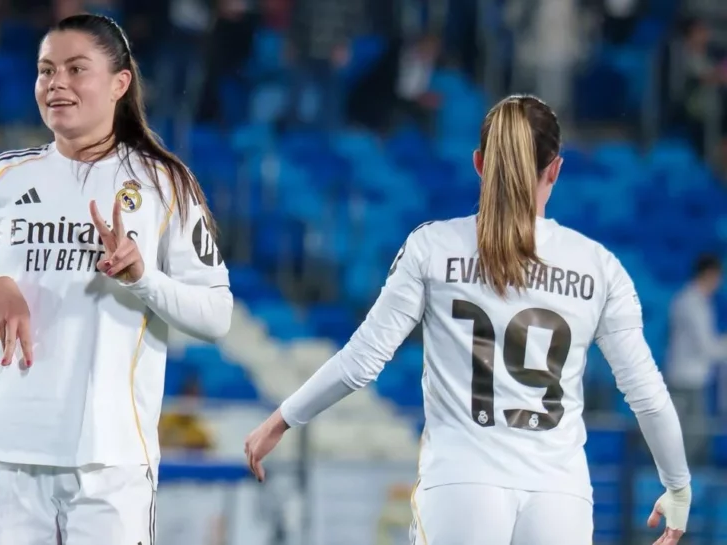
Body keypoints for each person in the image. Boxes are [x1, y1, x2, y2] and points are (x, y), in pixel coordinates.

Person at [243, 95, 692, 545]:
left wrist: (281, 420)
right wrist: (677, 486)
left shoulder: (433, 247)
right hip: (561, 495)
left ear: (479, 163)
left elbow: (362, 361)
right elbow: (648, 395)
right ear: (554, 169)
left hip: (461, 482)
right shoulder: (599, 266)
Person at [0, 13, 233, 545]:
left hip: (110, 460)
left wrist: (142, 277)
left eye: (76, 69)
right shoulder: (6, 177)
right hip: (6, 448)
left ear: (120, 83)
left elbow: (216, 315)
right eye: (46, 70)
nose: (57, 84)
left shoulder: (165, 183)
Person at [666, 253, 727, 461]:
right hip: (687, 379)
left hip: (691, 377)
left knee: (693, 434)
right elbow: (706, 347)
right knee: (693, 435)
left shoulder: (694, 301)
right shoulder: (691, 303)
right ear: (710, 274)